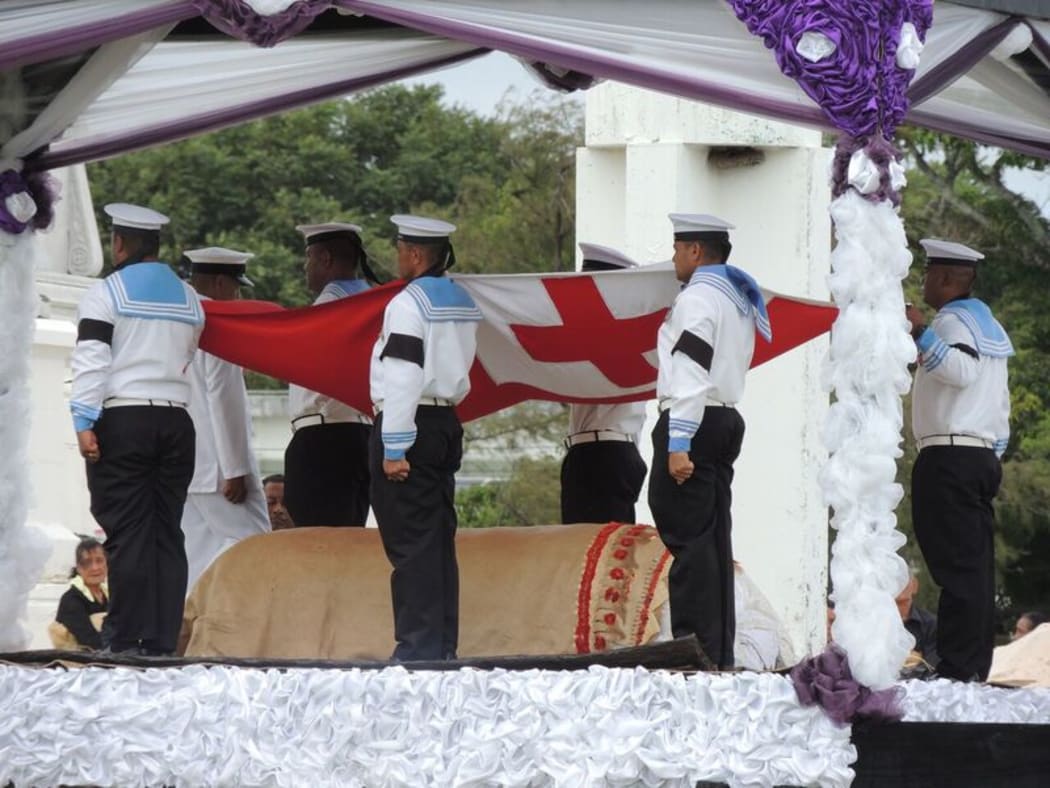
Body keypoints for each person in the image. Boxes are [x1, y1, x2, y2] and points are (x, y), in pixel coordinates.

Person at [69, 203, 204, 656]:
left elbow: (92, 358)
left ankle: (124, 639)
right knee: (167, 531)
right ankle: (162, 639)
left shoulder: (105, 292)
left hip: (124, 418)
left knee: (127, 533)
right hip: (176, 419)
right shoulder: (190, 298)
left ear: (119, 243)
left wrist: (83, 420)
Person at [648, 213, 770, 670]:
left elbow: (692, 368)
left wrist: (679, 441)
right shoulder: (736, 298)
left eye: (678, 248)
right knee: (712, 540)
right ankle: (716, 649)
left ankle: (694, 649)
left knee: (690, 541)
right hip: (723, 417)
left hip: (694, 420)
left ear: (696, 251)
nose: (675, 257)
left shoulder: (698, 298)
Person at [369, 214, 481, 661]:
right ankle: (440, 644)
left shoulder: (407, 304)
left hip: (409, 422)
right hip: (445, 421)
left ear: (416, 254)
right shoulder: (462, 300)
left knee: (410, 543)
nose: (397, 256)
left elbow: (402, 373)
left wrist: (394, 446)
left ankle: (415, 648)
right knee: (436, 541)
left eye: (399, 248)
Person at [906, 238, 1012, 682]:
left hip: (950, 455)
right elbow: (999, 406)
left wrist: (918, 332)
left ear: (948, 280)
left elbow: (961, 371)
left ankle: (958, 667)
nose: (926, 280)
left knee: (955, 569)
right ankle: (968, 664)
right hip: (976, 454)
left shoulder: (952, 321)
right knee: (971, 567)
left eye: (931, 273)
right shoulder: (986, 323)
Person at [180, 247, 271, 591]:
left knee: (195, 556)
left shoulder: (178, 317)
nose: (236, 296)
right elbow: (224, 397)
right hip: (219, 467)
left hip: (186, 463)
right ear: (219, 282)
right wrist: (236, 469)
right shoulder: (216, 322)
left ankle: (188, 635)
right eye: (235, 288)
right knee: (258, 547)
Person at [284, 222, 374, 527]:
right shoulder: (372, 304)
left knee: (318, 543)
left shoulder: (330, 306)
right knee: (348, 536)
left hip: (323, 436)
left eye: (309, 258)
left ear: (325, 259)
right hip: (360, 432)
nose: (305, 267)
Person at [560, 243, 648, 524]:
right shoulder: (636, 331)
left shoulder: (602, 334)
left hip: (599, 453)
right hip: (616, 450)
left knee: (590, 553)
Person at [53, 538, 109, 650]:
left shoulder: (110, 596)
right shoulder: (71, 599)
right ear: (78, 568)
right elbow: (89, 640)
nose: (95, 568)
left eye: (99, 560)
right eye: (87, 562)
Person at [896, 571, 939, 669]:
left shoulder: (931, 625)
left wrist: (920, 662)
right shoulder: (873, 624)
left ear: (914, 585)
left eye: (903, 603)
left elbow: (934, 665)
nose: (899, 584)